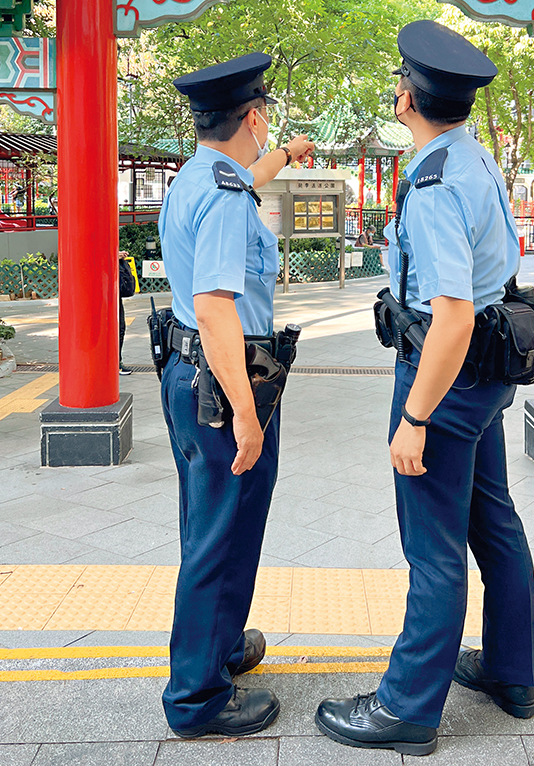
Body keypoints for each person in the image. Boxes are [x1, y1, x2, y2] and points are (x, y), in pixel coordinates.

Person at [316, 20, 534, 756]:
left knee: (434, 547)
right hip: (486, 377)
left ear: (408, 98)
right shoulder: (474, 159)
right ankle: (511, 671)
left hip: (442, 379)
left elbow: (446, 317)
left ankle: (407, 708)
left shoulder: (438, 183)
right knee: (493, 522)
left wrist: (414, 416)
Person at [158, 50, 313, 741]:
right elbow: (217, 306)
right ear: (250, 115)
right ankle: (197, 694)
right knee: (219, 534)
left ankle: (217, 643)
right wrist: (247, 416)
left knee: (213, 523)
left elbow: (251, 178)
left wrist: (286, 152)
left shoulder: (199, 176)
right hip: (224, 380)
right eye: (266, 120)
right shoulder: (223, 195)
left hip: (189, 372)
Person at [118, 250, 136, 376]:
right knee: (116, 329)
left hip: (114, 296)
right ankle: (115, 363)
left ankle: (116, 361)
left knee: (120, 329)